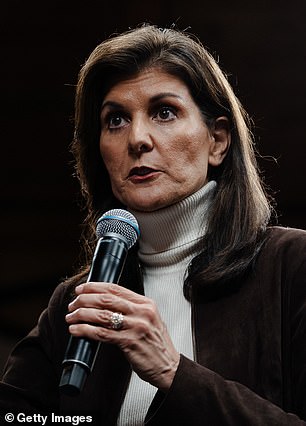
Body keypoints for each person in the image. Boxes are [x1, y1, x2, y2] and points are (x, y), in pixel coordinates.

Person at [1, 23, 306, 425]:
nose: (137, 138)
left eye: (164, 112)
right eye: (115, 120)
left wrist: (173, 371)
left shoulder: (291, 266)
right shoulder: (74, 302)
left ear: (217, 141)